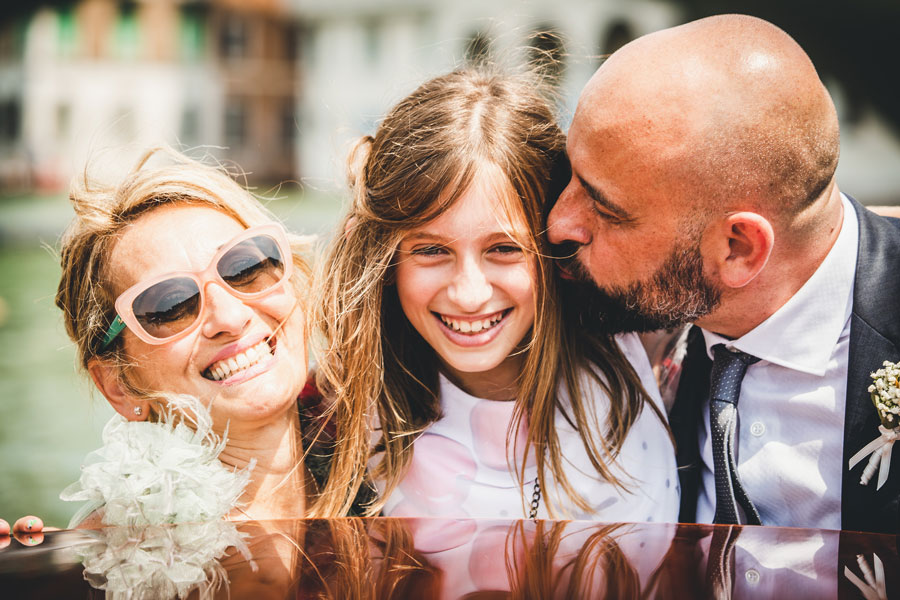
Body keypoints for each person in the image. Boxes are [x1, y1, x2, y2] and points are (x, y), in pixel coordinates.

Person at [547, 14, 900, 533]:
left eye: (607, 209)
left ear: (738, 249)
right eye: (571, 174)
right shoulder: (623, 326)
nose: (558, 223)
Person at [312, 67, 679, 522]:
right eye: (431, 250)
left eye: (504, 249)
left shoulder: (643, 339)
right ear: (384, 260)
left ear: (556, 245)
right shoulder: (341, 413)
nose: (469, 294)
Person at [53, 146, 318, 526]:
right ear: (118, 386)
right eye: (170, 305)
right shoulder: (114, 564)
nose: (231, 316)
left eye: (247, 266)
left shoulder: (399, 456)